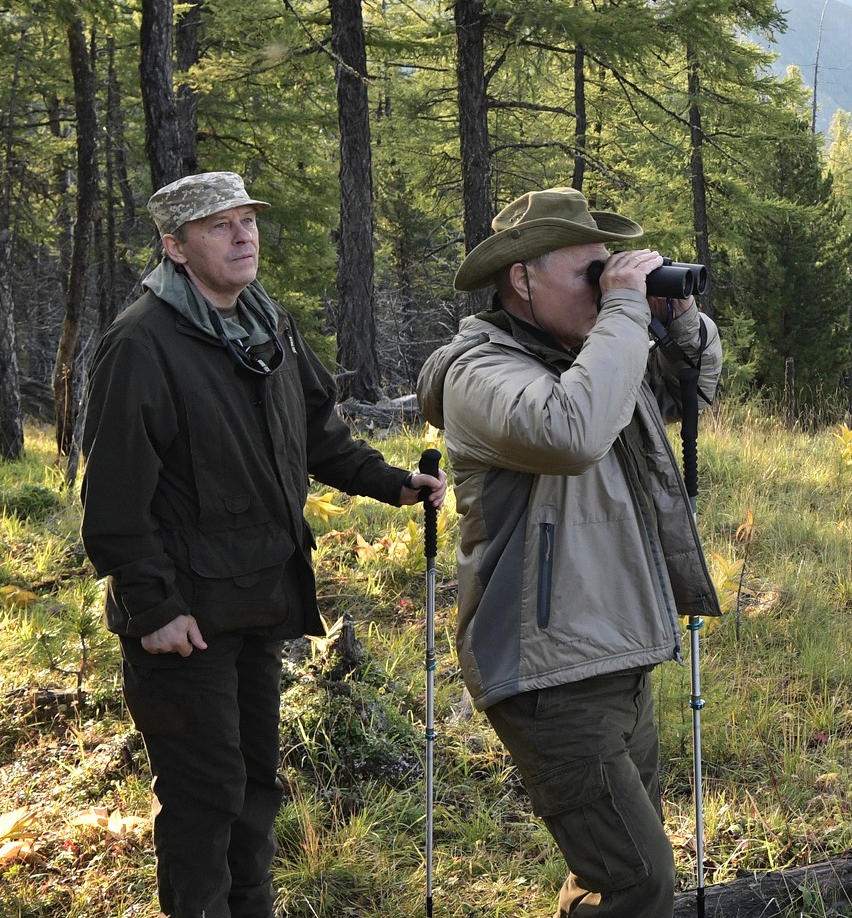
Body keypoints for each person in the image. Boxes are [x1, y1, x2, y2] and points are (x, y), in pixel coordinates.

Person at [79, 171, 445, 918]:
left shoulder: (265, 322)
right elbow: (112, 504)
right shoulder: (141, 343)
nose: (243, 236)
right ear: (175, 246)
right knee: (202, 795)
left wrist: (391, 483)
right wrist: (153, 610)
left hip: (260, 597)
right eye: (220, 226)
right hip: (185, 621)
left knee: (253, 785)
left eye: (247, 220)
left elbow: (318, 433)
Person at [417, 187, 722, 918]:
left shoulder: (588, 356)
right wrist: (621, 313)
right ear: (522, 278)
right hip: (547, 668)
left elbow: (686, 398)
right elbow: (572, 433)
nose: (608, 285)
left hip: (615, 651)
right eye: (591, 273)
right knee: (638, 881)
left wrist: (676, 323)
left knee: (604, 876)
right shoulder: (478, 374)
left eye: (610, 271)